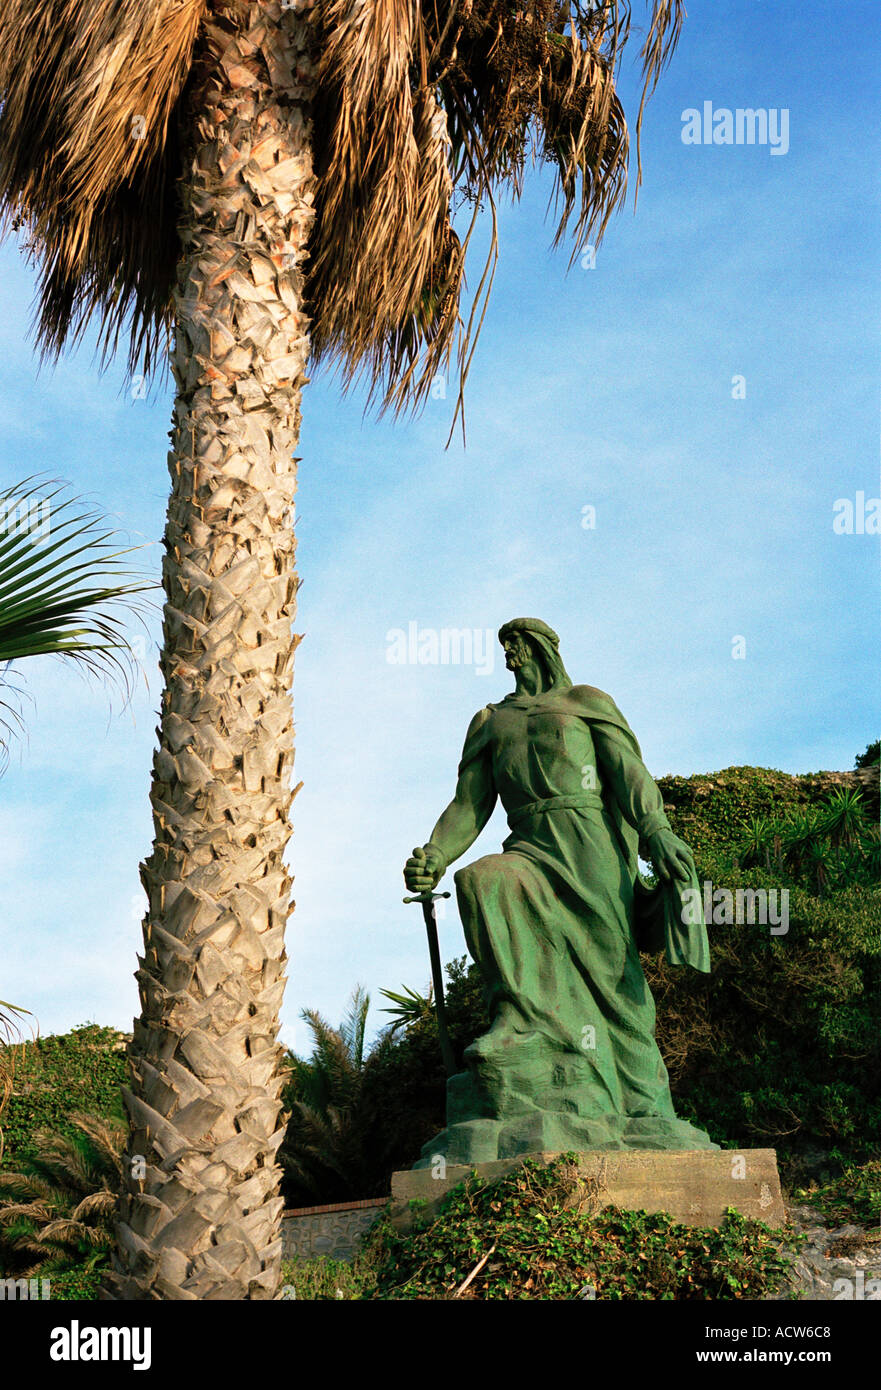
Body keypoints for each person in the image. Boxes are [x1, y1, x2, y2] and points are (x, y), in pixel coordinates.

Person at [403, 617, 717, 1165]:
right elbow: (469, 805)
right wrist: (435, 852)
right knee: (483, 881)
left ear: (544, 647)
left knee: (611, 975)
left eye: (519, 643)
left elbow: (630, 774)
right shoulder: (490, 721)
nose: (510, 654)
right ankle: (520, 1021)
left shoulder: (585, 702)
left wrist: (657, 832)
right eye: (504, 645)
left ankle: (644, 1106)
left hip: (590, 843)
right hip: (530, 841)